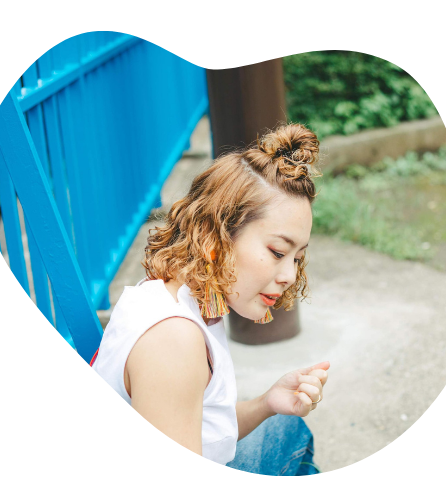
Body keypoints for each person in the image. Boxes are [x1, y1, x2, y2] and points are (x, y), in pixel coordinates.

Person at [91, 123, 330, 475]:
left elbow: (200, 428)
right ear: (216, 234)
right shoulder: (172, 340)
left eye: (297, 257)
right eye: (278, 251)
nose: (290, 276)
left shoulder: (175, 293)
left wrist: (267, 403)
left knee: (286, 425)